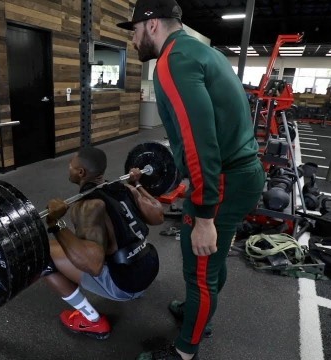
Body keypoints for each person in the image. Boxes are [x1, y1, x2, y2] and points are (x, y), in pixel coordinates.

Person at [117, 1, 266, 359]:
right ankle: (197, 313)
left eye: (134, 32)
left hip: (226, 179)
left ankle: (185, 351)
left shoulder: (171, 63)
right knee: (211, 262)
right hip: (243, 173)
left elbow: (201, 143)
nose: (133, 41)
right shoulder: (203, 53)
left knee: (199, 266)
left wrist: (202, 215)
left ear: (151, 25)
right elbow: (196, 131)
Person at [43, 146, 165, 340]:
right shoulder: (125, 188)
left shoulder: (87, 206)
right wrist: (138, 184)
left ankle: (92, 321)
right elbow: (158, 215)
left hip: (125, 285)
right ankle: (135, 291)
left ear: (81, 172)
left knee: (44, 256)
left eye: (71, 166)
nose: (69, 168)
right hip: (149, 267)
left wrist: (55, 224)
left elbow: (93, 265)